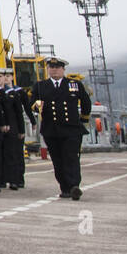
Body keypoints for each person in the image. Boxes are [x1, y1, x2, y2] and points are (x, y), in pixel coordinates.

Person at [32, 57, 89, 199]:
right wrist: (38, 106)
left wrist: (83, 120)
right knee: (58, 160)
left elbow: (86, 103)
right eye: (51, 67)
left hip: (71, 129)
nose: (54, 70)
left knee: (71, 157)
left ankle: (74, 185)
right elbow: (32, 104)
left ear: (63, 69)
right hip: (52, 129)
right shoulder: (40, 86)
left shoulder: (74, 84)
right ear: (47, 69)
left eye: (57, 67)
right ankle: (65, 187)